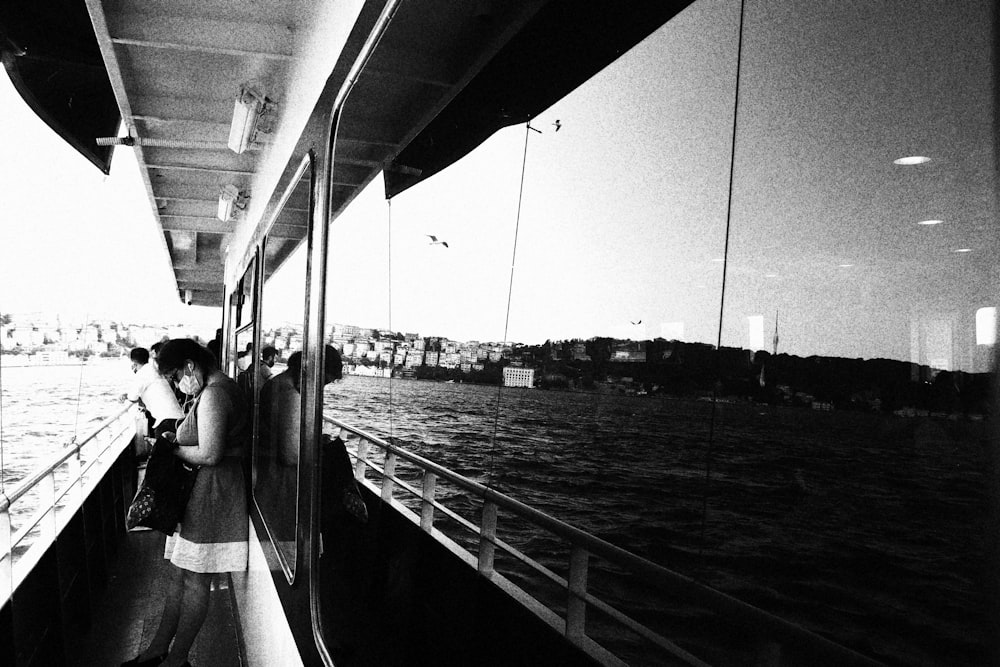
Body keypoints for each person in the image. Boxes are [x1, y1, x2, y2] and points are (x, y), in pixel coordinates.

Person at [123, 338, 249, 667]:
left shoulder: (215, 394)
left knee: (195, 581)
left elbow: (210, 453)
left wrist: (169, 449)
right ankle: (158, 650)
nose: (178, 383)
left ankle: (175, 660)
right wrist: (176, 437)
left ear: (190, 365)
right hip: (200, 493)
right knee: (179, 576)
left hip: (212, 496)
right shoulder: (209, 389)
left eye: (176, 375)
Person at [119, 347, 185, 438]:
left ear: (133, 363)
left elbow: (132, 397)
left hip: (167, 420)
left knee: (160, 451)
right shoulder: (153, 370)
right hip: (178, 418)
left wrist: (126, 395)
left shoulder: (142, 374)